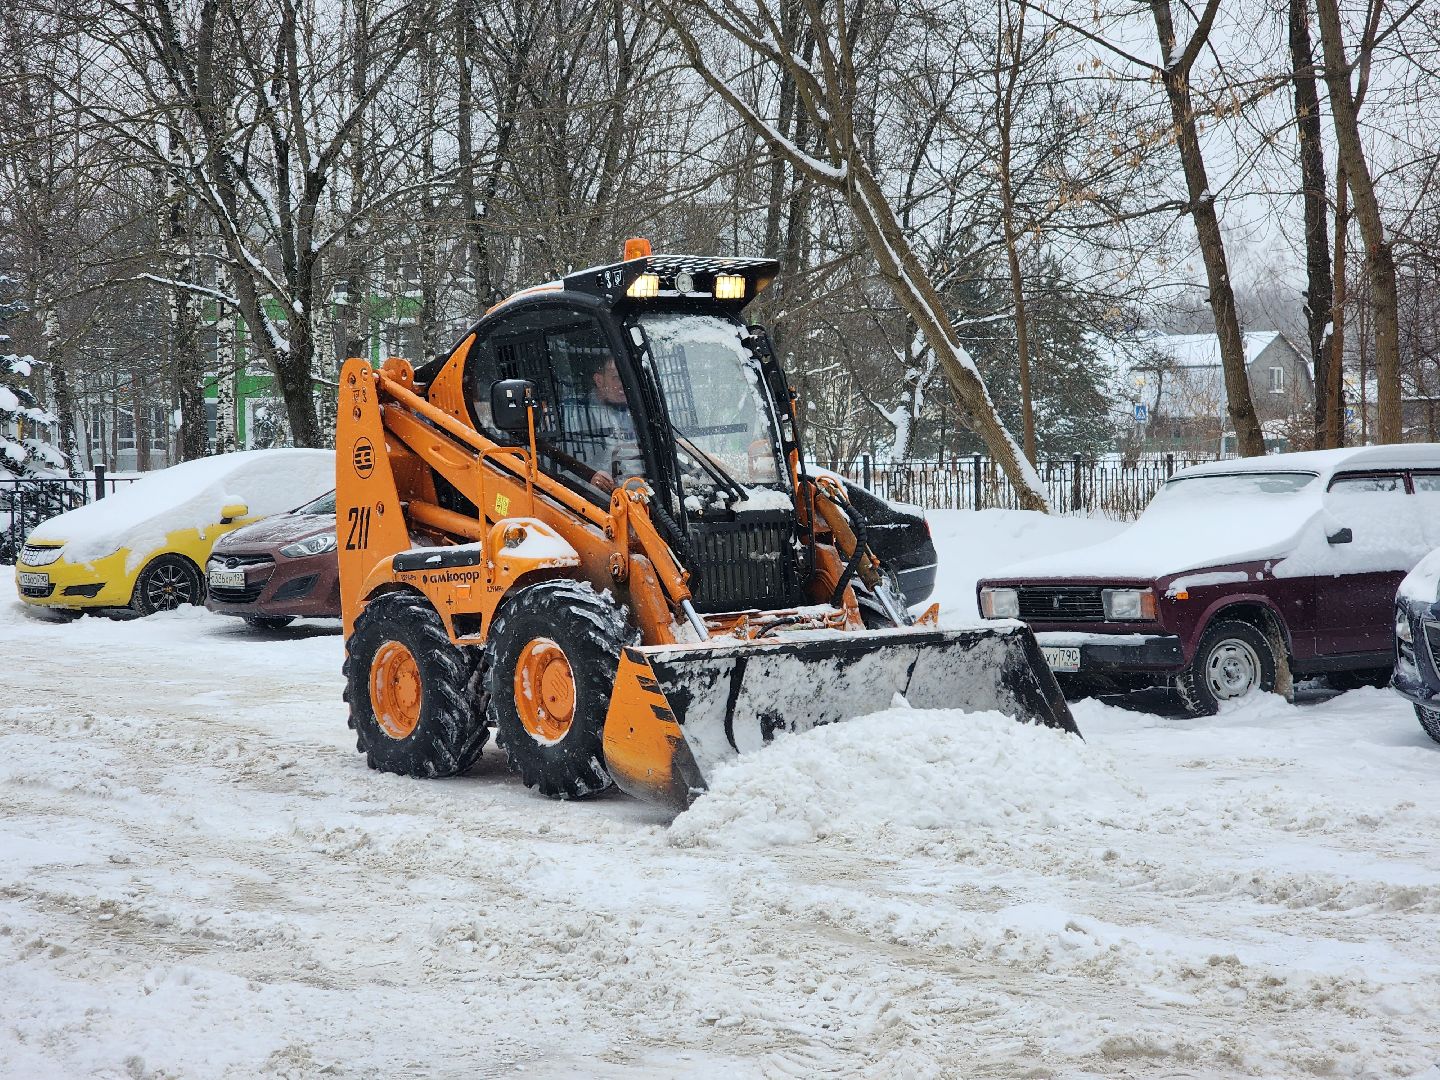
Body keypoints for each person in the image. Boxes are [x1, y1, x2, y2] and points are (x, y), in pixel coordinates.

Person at [560, 356, 644, 492]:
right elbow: (565, 465)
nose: (624, 383)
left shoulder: (636, 409)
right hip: (599, 497)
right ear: (599, 380)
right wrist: (588, 475)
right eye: (616, 377)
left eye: (627, 377)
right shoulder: (576, 414)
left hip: (641, 492)